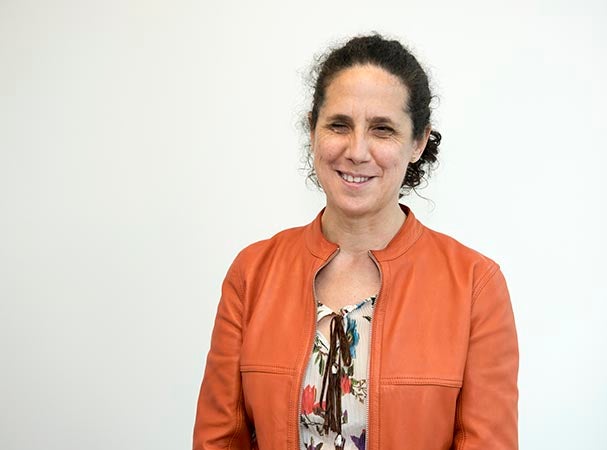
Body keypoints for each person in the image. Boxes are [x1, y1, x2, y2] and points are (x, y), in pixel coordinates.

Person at [193, 34, 518, 450]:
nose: (357, 150)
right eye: (339, 125)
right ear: (312, 130)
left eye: (382, 129)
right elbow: (219, 440)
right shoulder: (252, 273)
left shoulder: (476, 284)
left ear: (418, 142)